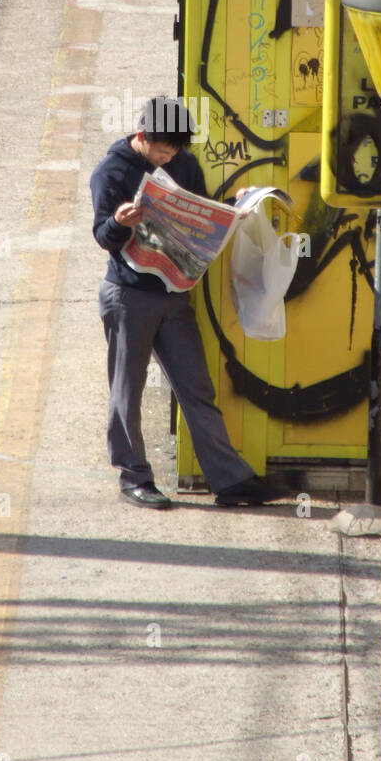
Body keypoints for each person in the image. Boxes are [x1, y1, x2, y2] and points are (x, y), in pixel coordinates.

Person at [90, 96, 282, 509]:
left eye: (176, 149)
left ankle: (230, 482)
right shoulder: (113, 171)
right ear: (142, 137)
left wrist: (234, 210)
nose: (170, 156)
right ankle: (133, 477)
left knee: (196, 388)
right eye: (163, 149)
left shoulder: (184, 164)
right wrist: (119, 223)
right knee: (127, 390)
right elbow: (103, 239)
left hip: (174, 294)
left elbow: (201, 216)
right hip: (129, 295)